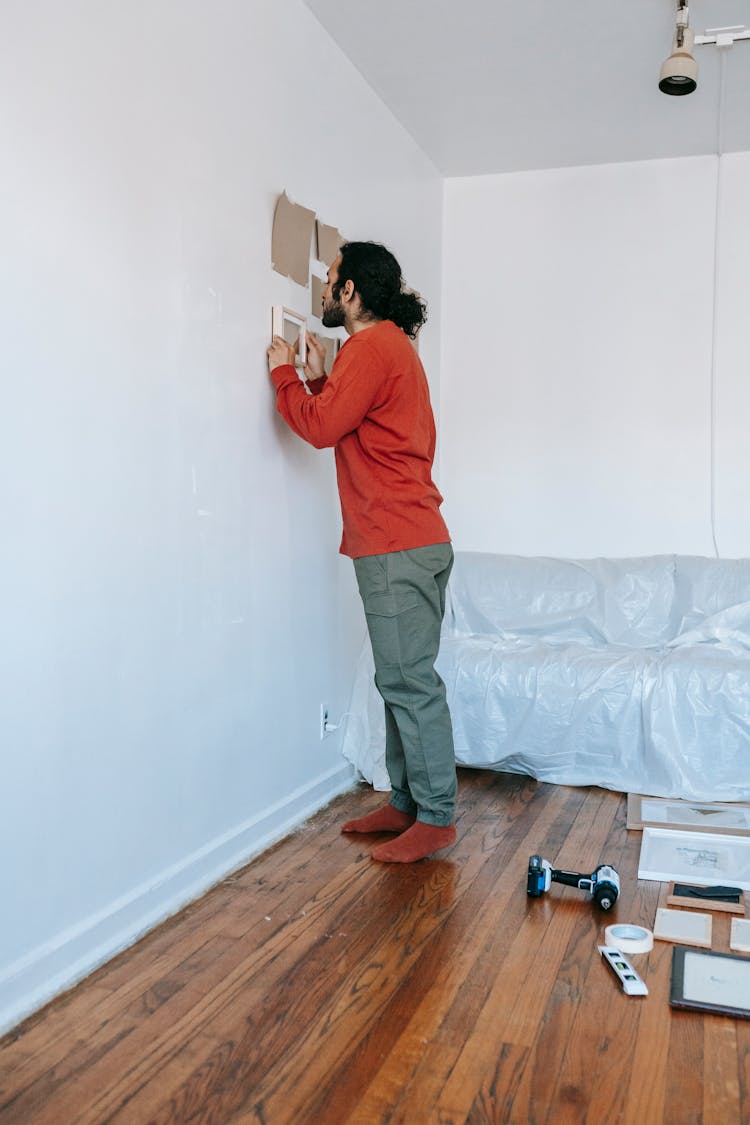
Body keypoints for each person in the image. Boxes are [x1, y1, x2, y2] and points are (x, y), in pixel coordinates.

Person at [267, 241, 456, 863]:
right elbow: (356, 421)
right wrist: (322, 378)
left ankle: (435, 817)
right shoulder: (384, 349)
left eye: (330, 281)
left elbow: (321, 428)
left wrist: (284, 375)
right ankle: (406, 803)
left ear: (350, 293)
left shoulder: (372, 348)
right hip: (407, 539)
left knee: (409, 682)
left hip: (397, 542)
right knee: (396, 677)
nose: (324, 290)